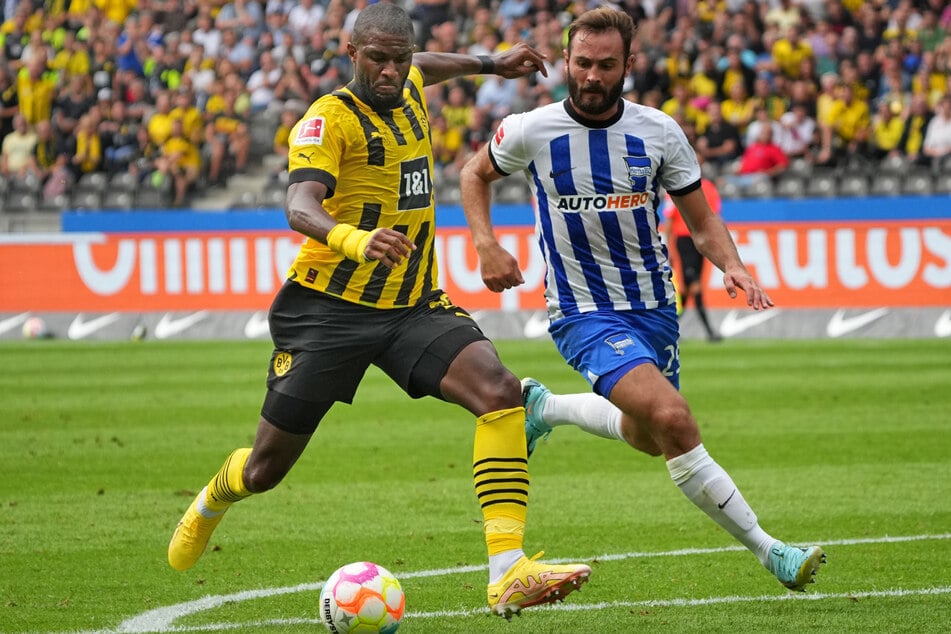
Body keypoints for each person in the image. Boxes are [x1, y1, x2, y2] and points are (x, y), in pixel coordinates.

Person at [167, 2, 591, 619]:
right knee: (265, 470)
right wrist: (354, 239)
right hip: (328, 312)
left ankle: (508, 570)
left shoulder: (412, 80)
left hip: (412, 303)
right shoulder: (328, 120)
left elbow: (432, 67)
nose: (391, 72)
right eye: (378, 60)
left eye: (400, 60)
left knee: (498, 390)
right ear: (352, 55)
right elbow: (299, 203)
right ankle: (214, 497)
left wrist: (489, 63)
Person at [459, 6, 825, 595]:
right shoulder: (531, 129)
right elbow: (473, 174)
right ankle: (771, 550)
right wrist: (486, 244)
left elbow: (700, 220)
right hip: (581, 311)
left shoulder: (659, 131)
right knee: (674, 419)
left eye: (607, 65)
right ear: (567, 61)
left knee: (646, 435)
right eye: (582, 63)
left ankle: (543, 409)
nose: (593, 77)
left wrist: (732, 265)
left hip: (654, 308)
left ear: (629, 64)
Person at [663, 168, 722, 342]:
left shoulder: (675, 187)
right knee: (695, 284)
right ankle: (710, 332)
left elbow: (669, 220)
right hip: (694, 240)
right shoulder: (708, 187)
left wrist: (667, 247)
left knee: (688, 289)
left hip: (688, 239)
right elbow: (714, 216)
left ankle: (667, 328)